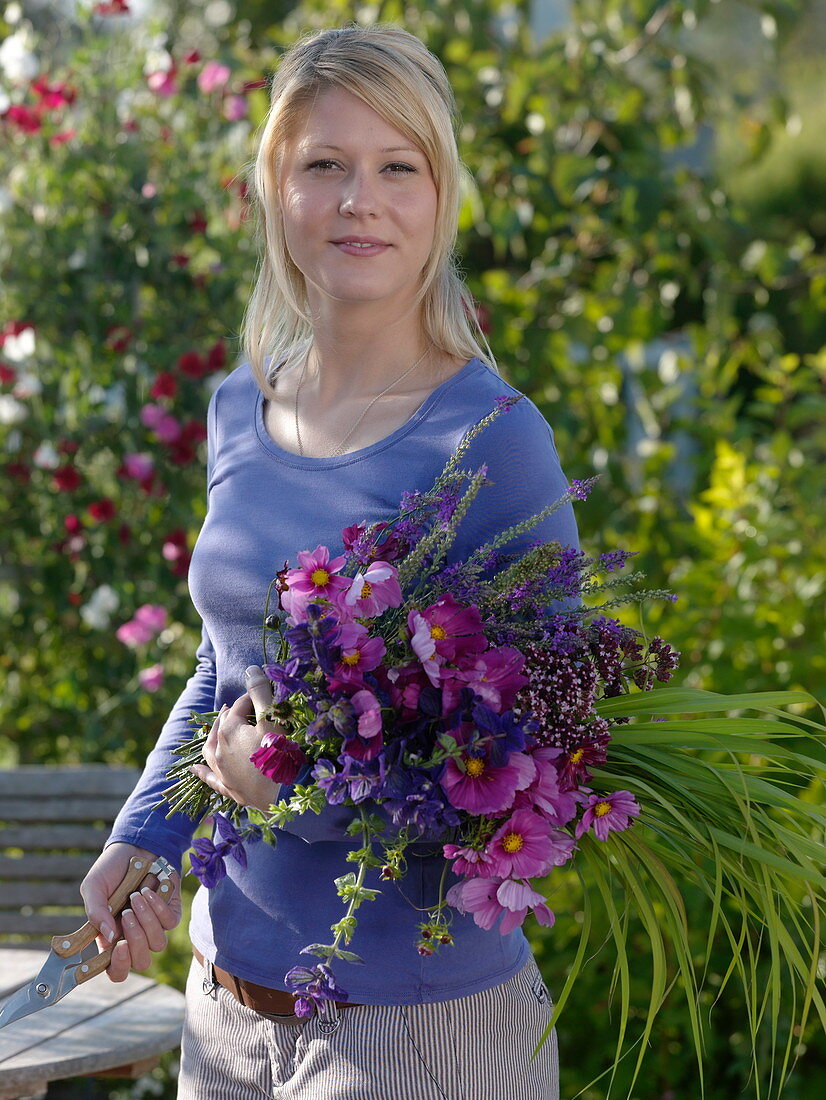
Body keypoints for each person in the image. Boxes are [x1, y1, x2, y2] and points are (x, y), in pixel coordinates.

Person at [81, 24, 579, 1100]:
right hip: (223, 1010)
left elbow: (548, 767)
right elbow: (230, 665)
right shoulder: (238, 407)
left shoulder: (489, 440)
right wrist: (147, 833)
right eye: (325, 165)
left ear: (441, 197)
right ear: (275, 189)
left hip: (415, 1032)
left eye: (397, 166)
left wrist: (294, 792)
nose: (361, 199)